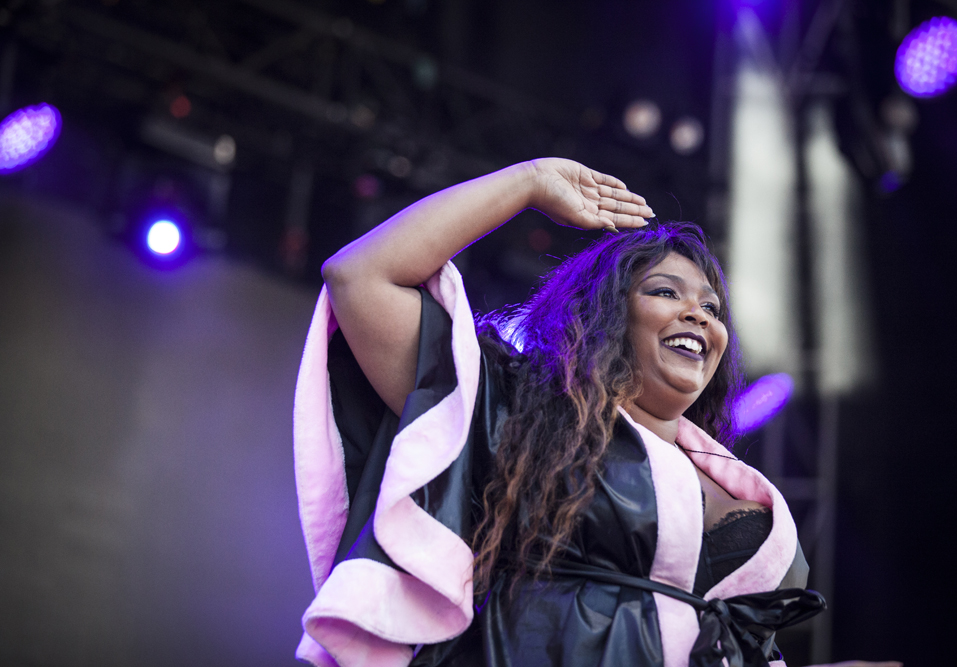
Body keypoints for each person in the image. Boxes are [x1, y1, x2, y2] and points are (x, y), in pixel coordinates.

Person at [290, 159, 894, 667]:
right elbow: (362, 275)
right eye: (666, 292)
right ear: (600, 316)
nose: (701, 316)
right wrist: (527, 182)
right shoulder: (517, 409)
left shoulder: (734, 484)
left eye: (712, 307)